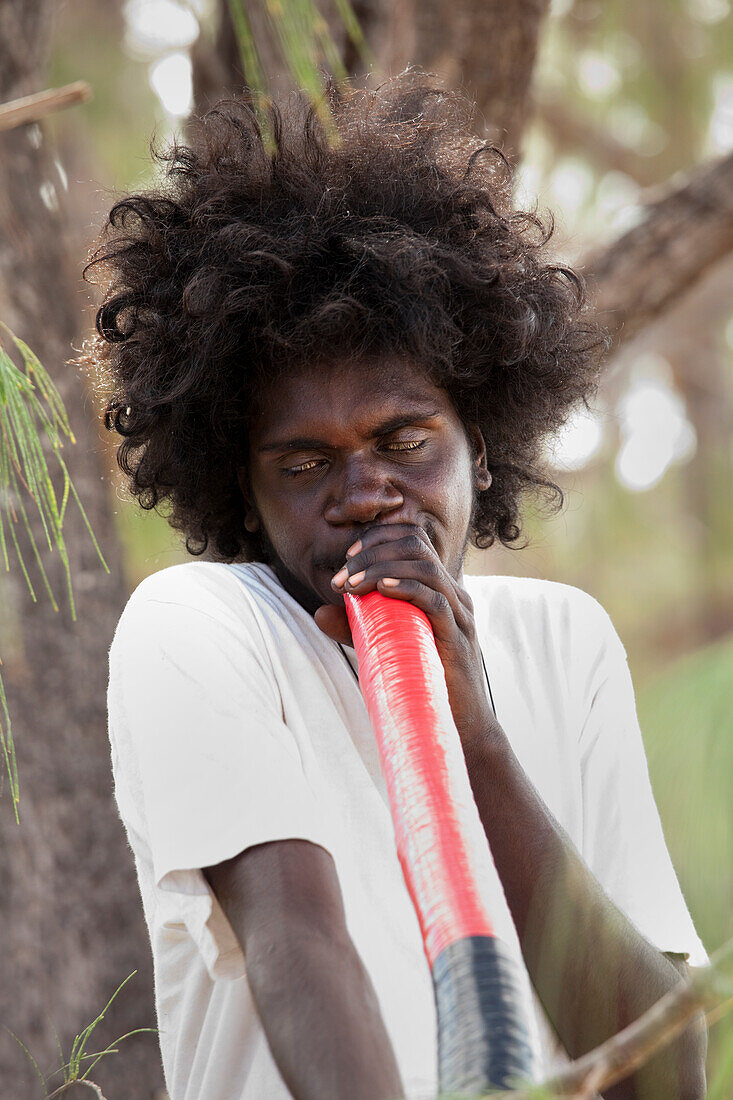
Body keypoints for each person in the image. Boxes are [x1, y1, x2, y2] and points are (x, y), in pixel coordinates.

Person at [88, 73, 708, 1100]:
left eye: (404, 439)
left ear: (480, 444)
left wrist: (478, 737)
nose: (366, 493)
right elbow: (298, 942)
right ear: (241, 495)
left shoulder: (564, 641)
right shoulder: (199, 627)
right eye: (303, 463)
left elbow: (664, 1072)